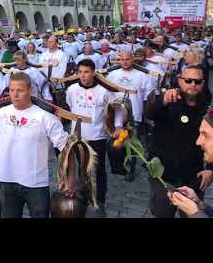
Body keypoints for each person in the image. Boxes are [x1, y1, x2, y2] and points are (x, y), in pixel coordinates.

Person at [0, 72, 71, 218]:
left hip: (36, 183)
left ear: (30, 90)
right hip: (7, 180)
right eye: (12, 90)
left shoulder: (45, 117)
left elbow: (66, 147)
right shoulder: (0, 114)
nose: (15, 95)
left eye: (20, 90)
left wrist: (69, 178)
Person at [147, 65, 213, 218]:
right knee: (161, 212)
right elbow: (150, 114)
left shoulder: (208, 108)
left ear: (203, 83)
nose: (192, 85)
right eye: (188, 80)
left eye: (197, 81)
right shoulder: (169, 98)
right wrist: (162, 100)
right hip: (163, 173)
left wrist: (211, 168)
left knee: (192, 213)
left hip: (192, 175)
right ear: (179, 80)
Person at [65, 59, 124, 217]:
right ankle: (83, 197)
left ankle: (100, 202)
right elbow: (71, 106)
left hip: (97, 137)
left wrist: (118, 126)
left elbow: (117, 109)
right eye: (80, 72)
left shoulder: (103, 92)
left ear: (93, 72)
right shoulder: (71, 89)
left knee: (98, 172)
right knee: (80, 170)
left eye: (86, 72)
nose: (83, 76)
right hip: (78, 138)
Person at [106, 51, 155, 181]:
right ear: (119, 60)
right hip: (115, 114)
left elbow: (148, 98)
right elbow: (107, 94)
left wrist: (146, 116)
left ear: (133, 59)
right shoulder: (112, 75)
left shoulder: (142, 76)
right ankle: (118, 167)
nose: (125, 61)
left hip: (134, 116)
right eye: (122, 59)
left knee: (132, 144)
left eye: (128, 59)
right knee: (115, 142)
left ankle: (130, 169)